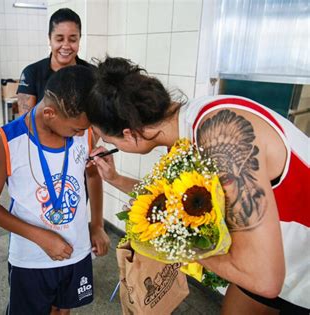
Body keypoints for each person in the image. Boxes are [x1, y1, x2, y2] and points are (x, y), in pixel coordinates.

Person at [86, 57, 309, 314]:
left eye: (105, 137)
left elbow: (264, 280)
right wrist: (115, 179)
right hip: (277, 254)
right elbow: (166, 204)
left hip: (289, 264)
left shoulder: (221, 137)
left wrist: (178, 248)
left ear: (128, 134)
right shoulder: (187, 128)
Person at [0, 65, 110, 315]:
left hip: (76, 250)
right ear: (49, 113)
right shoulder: (7, 142)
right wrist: (41, 237)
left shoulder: (84, 132)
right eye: (76, 129)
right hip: (31, 257)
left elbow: (91, 172)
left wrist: (98, 224)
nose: (82, 135)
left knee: (63, 310)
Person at [16, 8, 90, 115]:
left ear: (79, 39)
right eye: (59, 39)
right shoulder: (32, 73)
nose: (66, 46)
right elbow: (26, 122)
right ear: (50, 39)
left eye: (73, 40)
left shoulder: (91, 73)